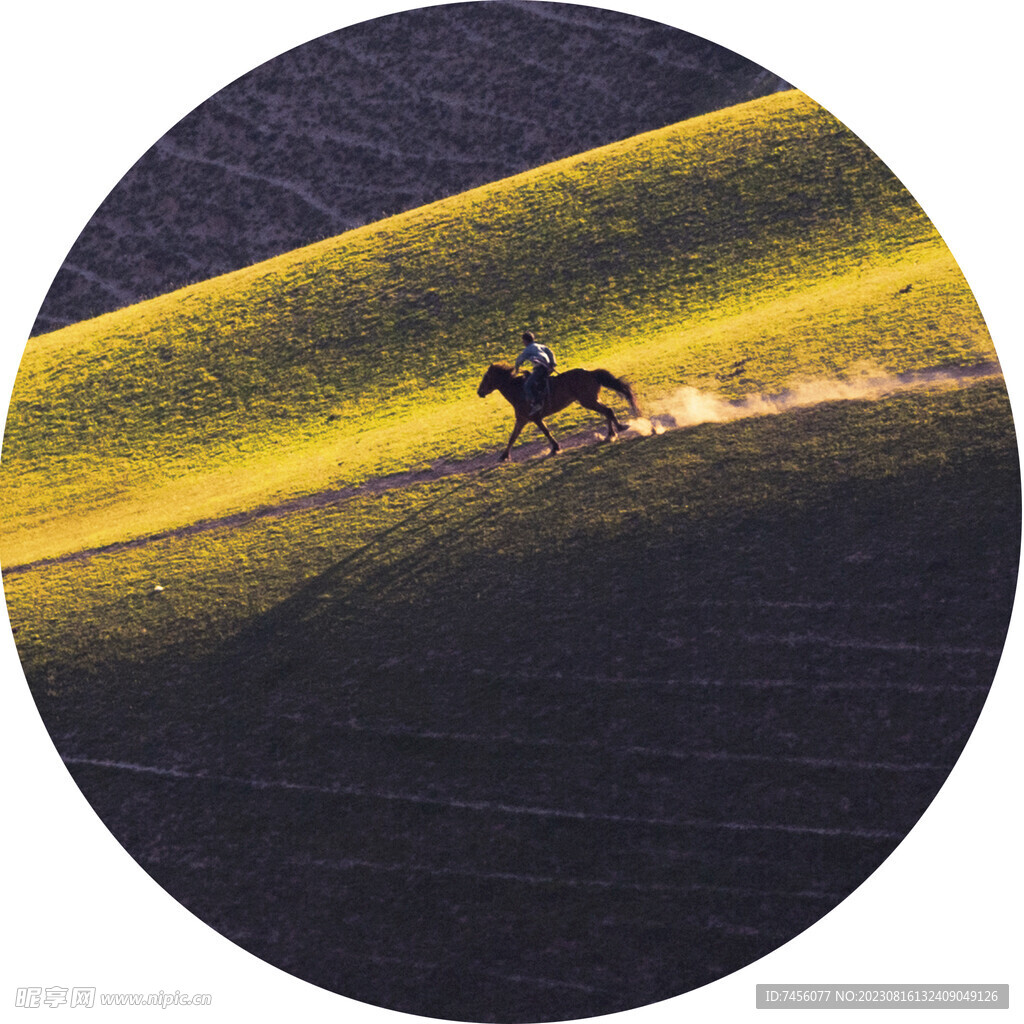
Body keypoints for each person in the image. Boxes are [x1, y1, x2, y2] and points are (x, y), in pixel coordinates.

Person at [513, 330, 557, 416]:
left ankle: (537, 404)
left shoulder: (528, 349)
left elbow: (519, 359)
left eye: (523, 341)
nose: (523, 343)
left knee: (527, 385)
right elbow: (550, 353)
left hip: (540, 368)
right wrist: (552, 364)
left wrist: (516, 369)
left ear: (525, 341)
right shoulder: (541, 346)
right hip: (547, 367)